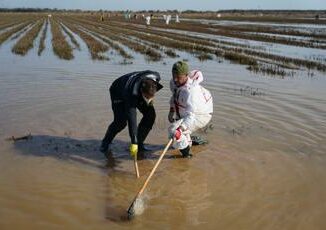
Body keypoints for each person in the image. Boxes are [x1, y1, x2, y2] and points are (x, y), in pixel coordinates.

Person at [100, 70, 163, 159]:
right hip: (118, 91)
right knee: (121, 122)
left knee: (150, 115)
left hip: (140, 90)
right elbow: (132, 119)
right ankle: (105, 143)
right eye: (147, 97)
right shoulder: (131, 94)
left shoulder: (156, 77)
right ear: (141, 91)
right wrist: (134, 142)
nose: (149, 99)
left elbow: (150, 90)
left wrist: (150, 98)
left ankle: (140, 144)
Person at [168, 61, 213, 158]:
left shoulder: (191, 93)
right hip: (186, 110)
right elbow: (174, 96)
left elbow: (191, 116)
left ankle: (186, 155)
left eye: (178, 77)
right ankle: (189, 141)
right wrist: (171, 112)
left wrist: (181, 129)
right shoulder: (174, 82)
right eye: (173, 75)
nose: (175, 79)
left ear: (186, 75)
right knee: (176, 139)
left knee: (174, 131)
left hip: (200, 115)